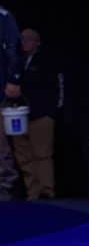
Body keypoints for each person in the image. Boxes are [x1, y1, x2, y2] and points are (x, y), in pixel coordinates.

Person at [10, 28, 61, 200]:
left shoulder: (46, 61)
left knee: (42, 154)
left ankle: (47, 191)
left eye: (29, 39)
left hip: (42, 114)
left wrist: (51, 111)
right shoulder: (18, 61)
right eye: (22, 39)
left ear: (37, 42)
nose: (25, 42)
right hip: (20, 115)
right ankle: (33, 192)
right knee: (24, 155)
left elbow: (50, 86)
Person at [1, 4, 22, 200]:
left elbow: (14, 49)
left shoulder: (3, 16)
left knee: (1, 144)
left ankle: (6, 187)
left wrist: (13, 79)